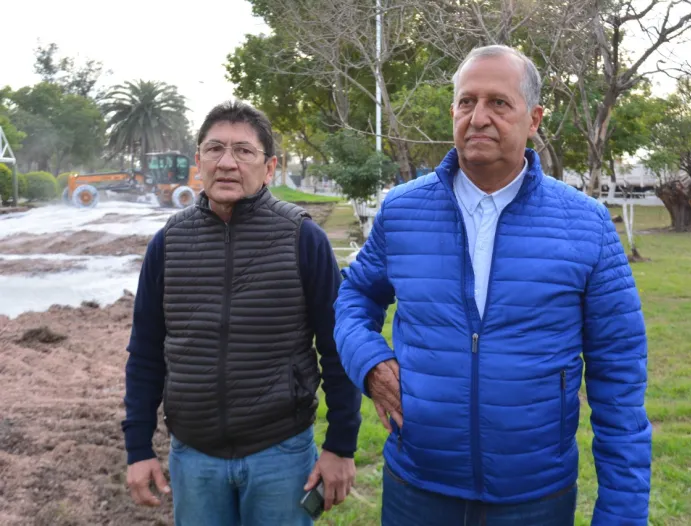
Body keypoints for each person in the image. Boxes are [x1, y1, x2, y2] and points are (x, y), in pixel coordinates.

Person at [334, 45, 652, 526]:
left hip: (535, 497)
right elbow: (354, 296)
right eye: (467, 101)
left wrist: (622, 514)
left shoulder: (587, 224)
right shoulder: (402, 211)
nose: (478, 117)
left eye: (498, 103)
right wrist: (370, 363)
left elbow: (620, 374)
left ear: (534, 119)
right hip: (416, 488)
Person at [122, 100, 362, 526]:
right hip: (193, 457)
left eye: (244, 151)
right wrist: (138, 448)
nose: (227, 163)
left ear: (269, 168)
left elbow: (337, 347)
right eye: (214, 149)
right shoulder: (168, 243)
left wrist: (341, 445)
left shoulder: (302, 238)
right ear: (198, 161)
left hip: (281, 453)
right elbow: (145, 353)